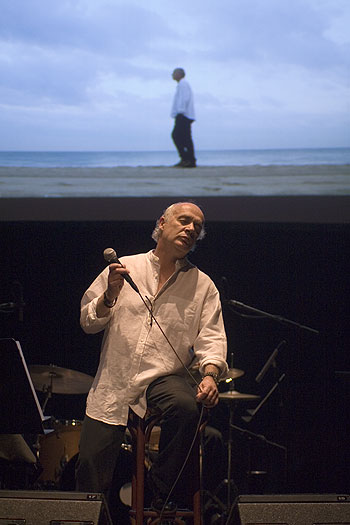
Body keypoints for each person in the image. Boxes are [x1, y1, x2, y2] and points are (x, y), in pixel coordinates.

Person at [75, 202, 228, 520]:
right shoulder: (123, 267)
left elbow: (212, 340)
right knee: (89, 472)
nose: (190, 229)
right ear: (163, 222)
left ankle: (160, 494)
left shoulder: (203, 286)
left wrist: (211, 375)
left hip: (163, 379)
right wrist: (109, 296)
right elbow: (89, 322)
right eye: (184, 221)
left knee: (186, 406)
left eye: (196, 227)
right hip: (114, 383)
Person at [171, 68, 197, 168]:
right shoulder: (181, 85)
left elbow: (184, 98)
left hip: (184, 115)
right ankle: (187, 159)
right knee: (184, 137)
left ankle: (188, 159)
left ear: (179, 74)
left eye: (173, 73)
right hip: (184, 114)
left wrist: (180, 112)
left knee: (177, 136)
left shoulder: (183, 84)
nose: (172, 75)